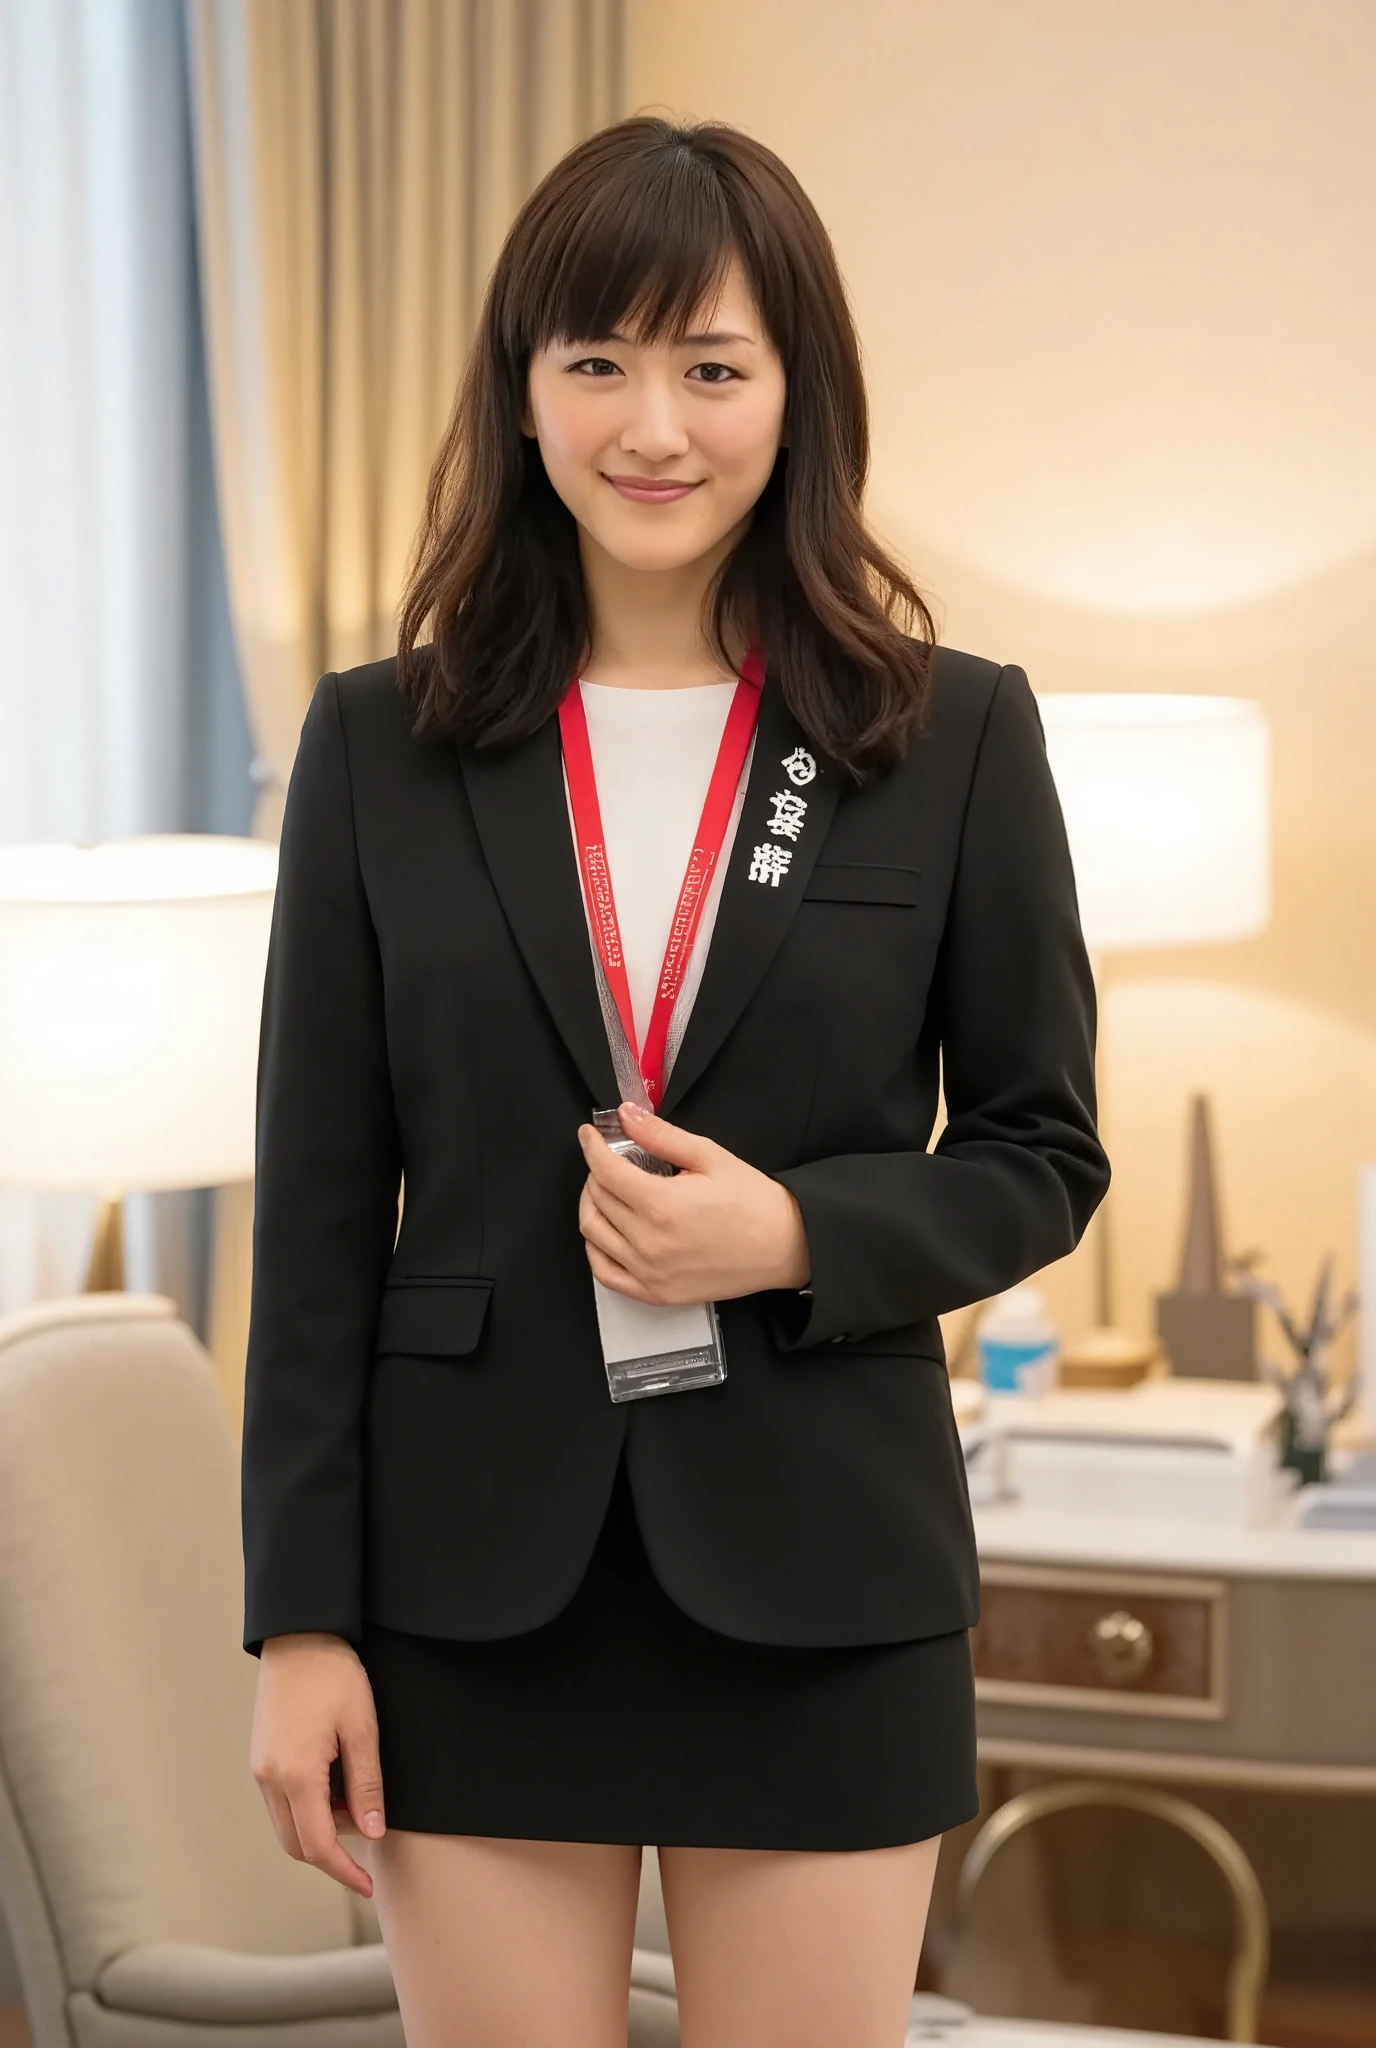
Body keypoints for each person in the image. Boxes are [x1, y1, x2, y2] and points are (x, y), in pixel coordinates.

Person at [241, 115, 1109, 2048]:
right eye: (598, 362)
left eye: (713, 367)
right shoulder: (382, 746)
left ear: (796, 397)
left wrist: (801, 1228)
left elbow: (1044, 1151)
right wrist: (301, 1624)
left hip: (827, 1576)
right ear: (524, 393)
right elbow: (313, 1216)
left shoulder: (949, 735)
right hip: (468, 1595)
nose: (656, 424)